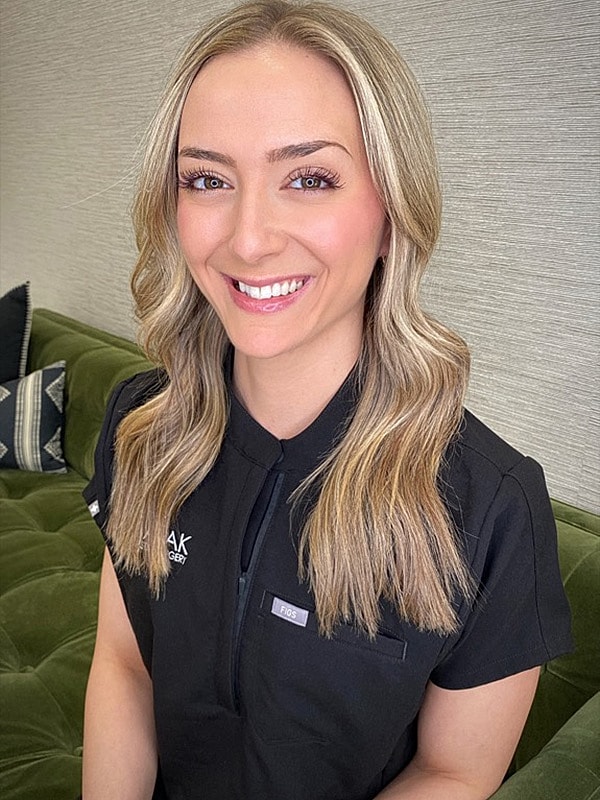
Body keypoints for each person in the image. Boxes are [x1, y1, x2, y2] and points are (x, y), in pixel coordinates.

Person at [81, 1, 573, 798]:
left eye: (308, 178)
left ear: (390, 212)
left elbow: (456, 770)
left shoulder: (494, 507)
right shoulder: (143, 425)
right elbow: (125, 664)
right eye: (207, 179)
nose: (248, 238)